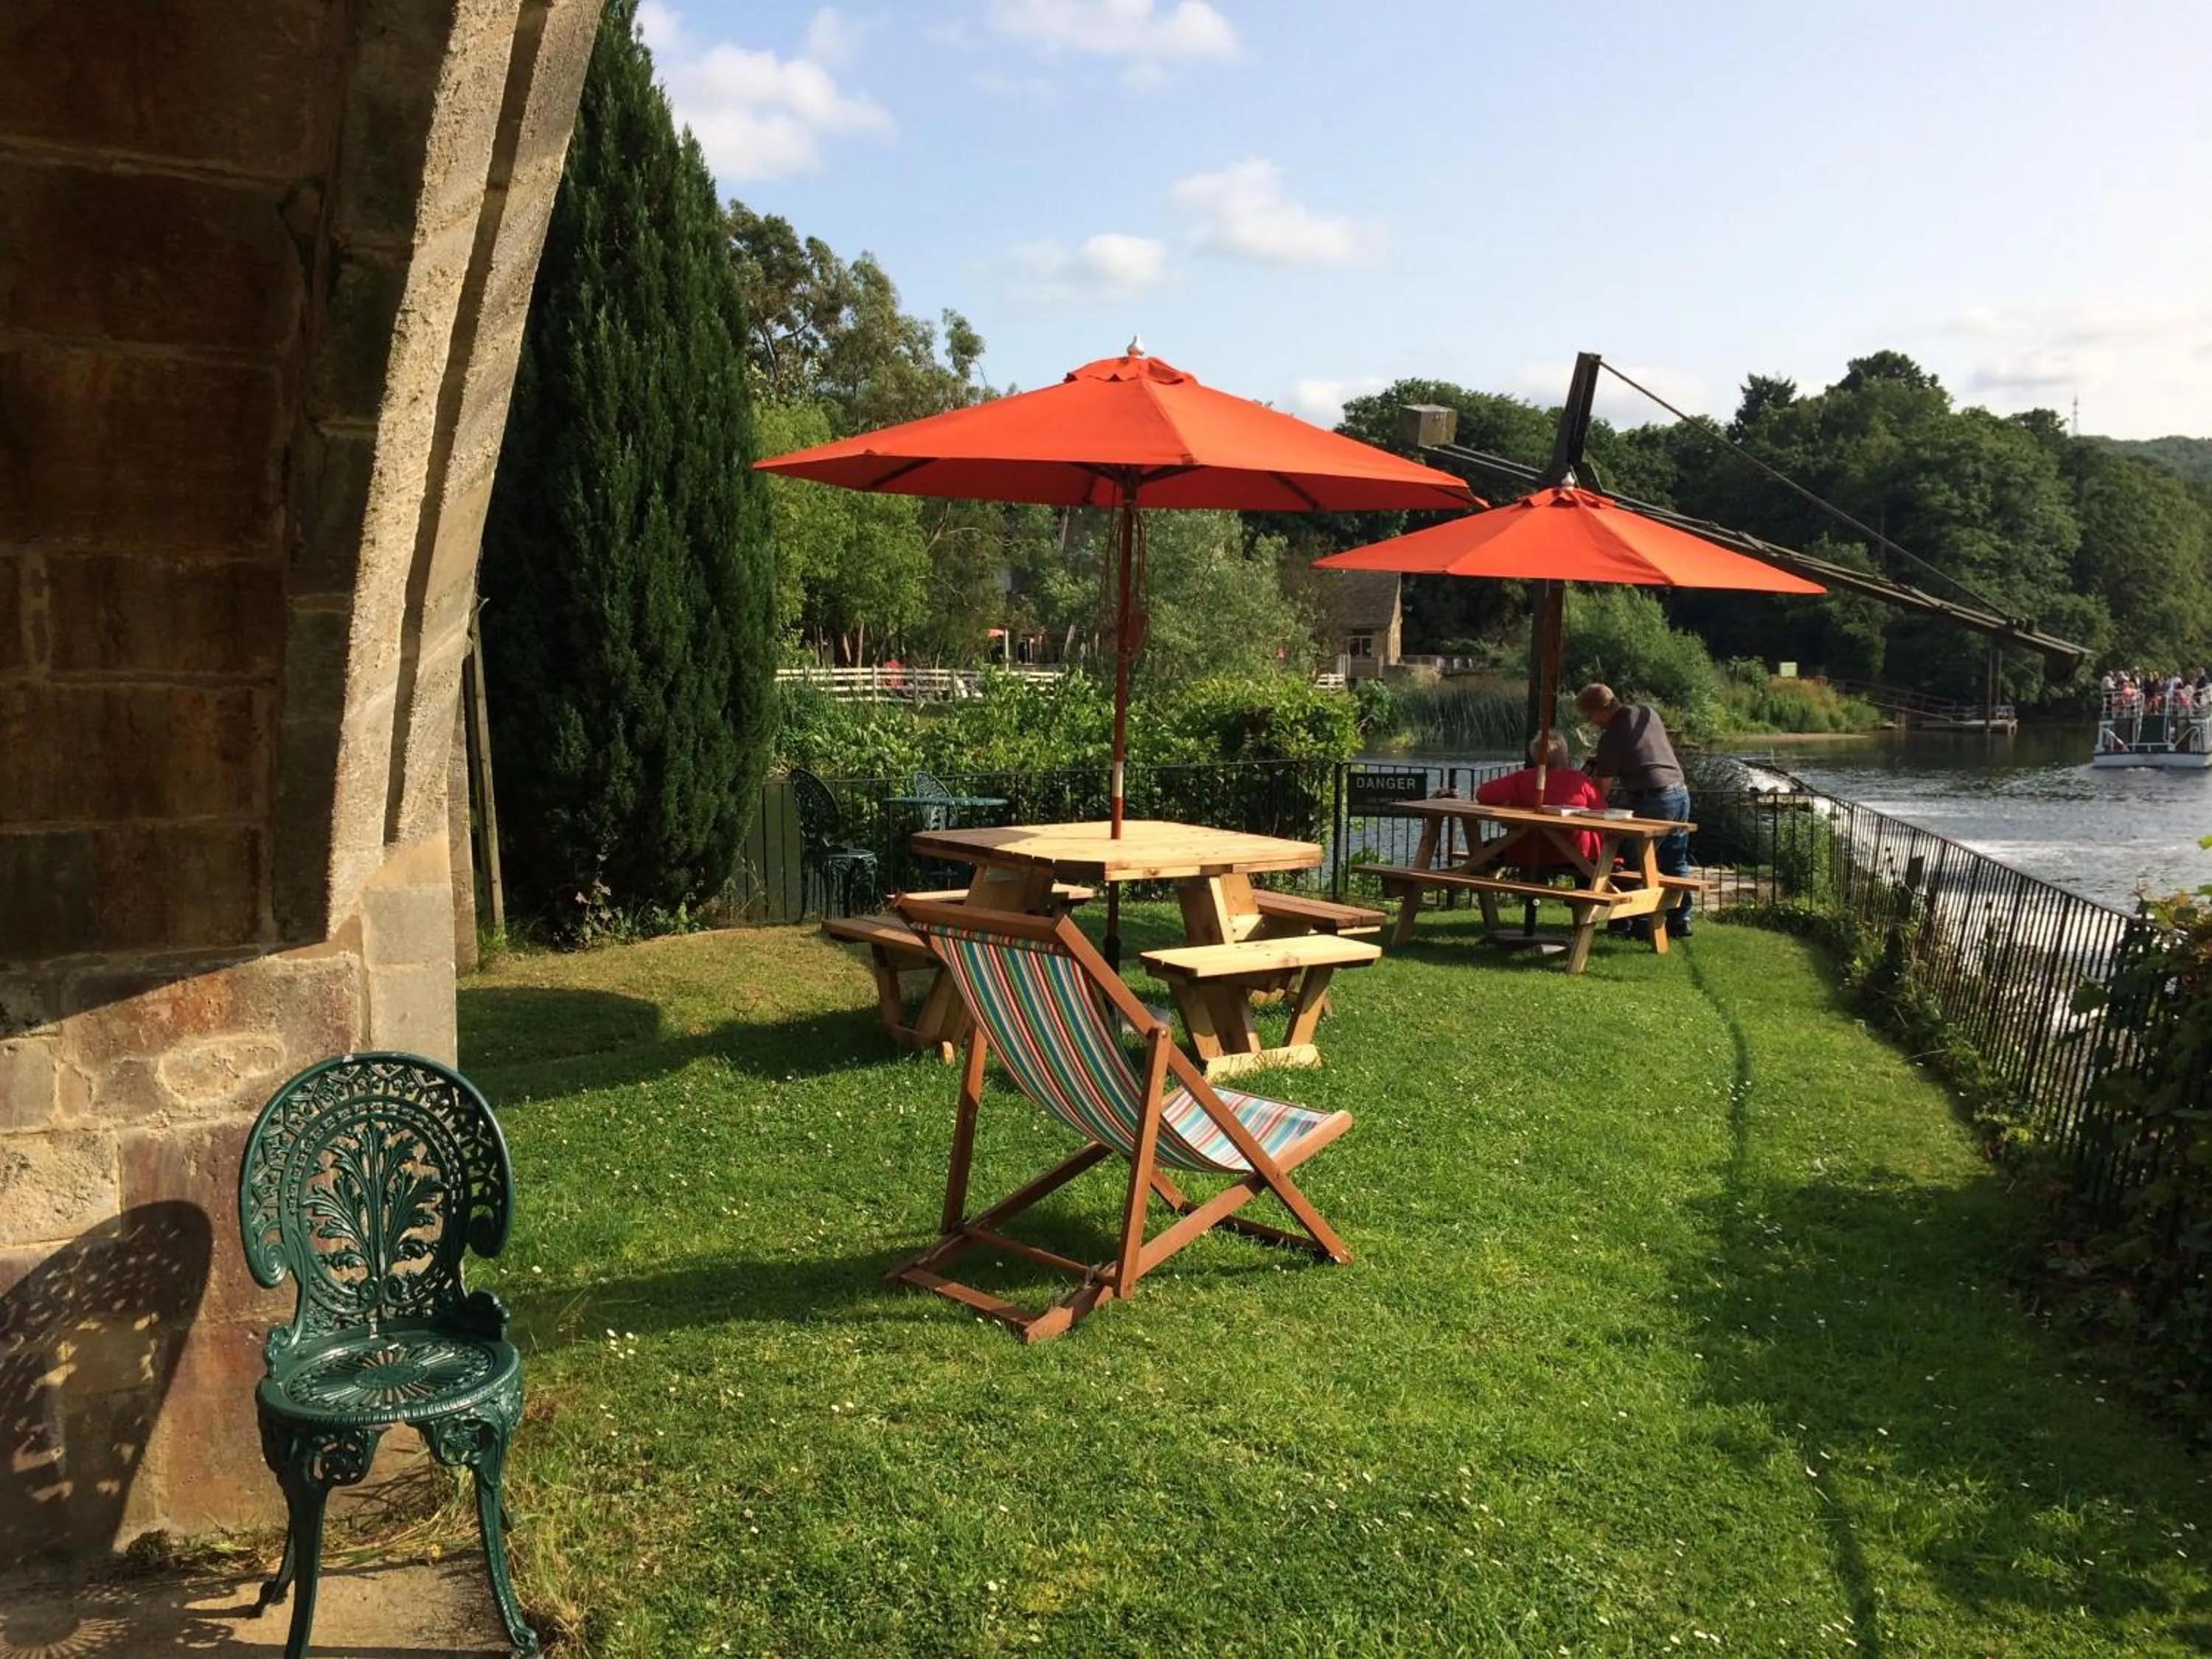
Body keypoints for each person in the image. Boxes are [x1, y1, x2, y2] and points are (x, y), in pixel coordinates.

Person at [1576, 682, 1694, 938]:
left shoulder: (1611, 737)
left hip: (1652, 799)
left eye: (1590, 716)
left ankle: (1638, 921)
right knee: (1676, 860)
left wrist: (1587, 784)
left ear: (1600, 710)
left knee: (1636, 861)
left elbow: (1603, 790)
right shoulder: (1647, 713)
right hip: (1680, 792)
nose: (1591, 722)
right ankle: (1681, 920)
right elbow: (1641, 750)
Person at [1475, 732, 1605, 869]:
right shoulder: (1579, 781)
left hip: (1529, 853)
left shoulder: (1522, 779)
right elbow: (1601, 809)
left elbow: (1483, 794)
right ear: (1564, 755)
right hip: (1578, 855)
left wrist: (1509, 803)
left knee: (1487, 849)